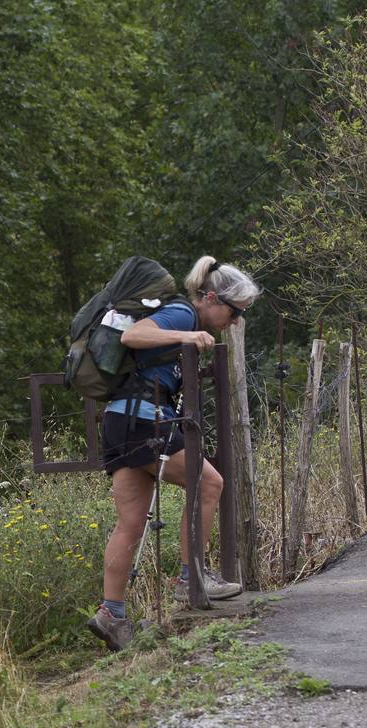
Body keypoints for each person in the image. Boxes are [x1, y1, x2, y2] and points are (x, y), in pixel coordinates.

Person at [88, 257, 260, 652]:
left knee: (130, 524)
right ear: (212, 298)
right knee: (210, 483)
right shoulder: (183, 313)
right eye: (235, 312)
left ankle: (111, 614)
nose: (235, 322)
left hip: (121, 420)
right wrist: (184, 338)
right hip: (144, 420)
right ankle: (191, 579)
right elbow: (134, 336)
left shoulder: (189, 318)